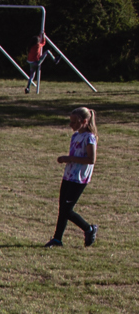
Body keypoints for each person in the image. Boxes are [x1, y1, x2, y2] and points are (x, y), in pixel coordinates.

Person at [46, 106, 98, 248]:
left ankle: (89, 228)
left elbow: (91, 159)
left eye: (75, 122)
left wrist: (70, 158)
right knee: (62, 208)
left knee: (67, 210)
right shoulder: (75, 136)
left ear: (85, 121)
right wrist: (67, 160)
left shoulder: (89, 138)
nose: (71, 125)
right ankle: (57, 239)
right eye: (71, 121)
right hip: (69, 175)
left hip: (79, 178)